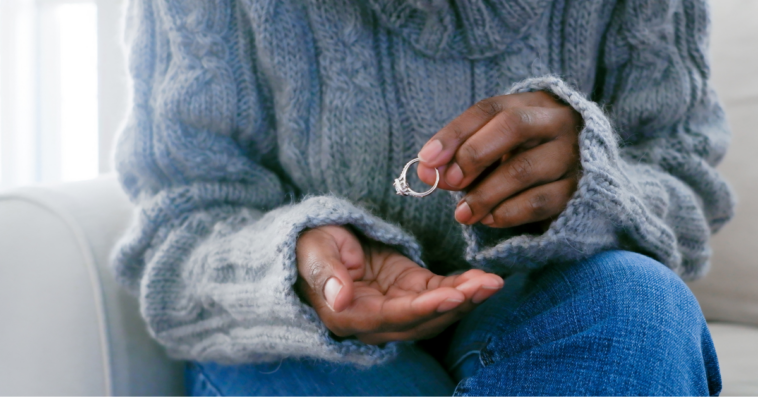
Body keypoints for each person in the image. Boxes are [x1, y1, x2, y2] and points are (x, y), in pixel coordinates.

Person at [111, 0, 733, 395]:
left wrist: (597, 185)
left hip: (547, 307)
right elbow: (178, 230)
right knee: (281, 359)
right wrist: (291, 270)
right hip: (301, 343)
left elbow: (685, 184)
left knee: (640, 306)